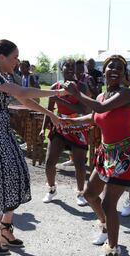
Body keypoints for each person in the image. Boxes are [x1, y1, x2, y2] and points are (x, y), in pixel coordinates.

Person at [0, 39, 65, 255]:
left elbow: (22, 100)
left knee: (18, 176)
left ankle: (4, 228)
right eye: (14, 57)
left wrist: (50, 114)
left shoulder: (3, 77)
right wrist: (57, 94)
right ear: (1, 57)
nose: (17, 61)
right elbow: (22, 93)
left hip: (2, 132)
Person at [62, 55, 130, 256]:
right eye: (110, 67)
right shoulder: (102, 95)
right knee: (89, 194)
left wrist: (76, 94)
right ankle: (106, 227)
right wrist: (69, 122)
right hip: (106, 155)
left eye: (119, 68)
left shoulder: (126, 93)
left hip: (124, 155)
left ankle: (113, 254)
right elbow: (94, 117)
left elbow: (99, 109)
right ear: (104, 71)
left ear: (125, 74)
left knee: (108, 203)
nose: (114, 70)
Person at [40, 59, 90, 206]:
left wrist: (60, 101)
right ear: (61, 69)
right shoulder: (55, 87)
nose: (69, 69)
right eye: (66, 66)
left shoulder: (81, 86)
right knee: (50, 162)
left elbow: (83, 109)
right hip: (59, 126)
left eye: (72, 67)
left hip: (77, 126)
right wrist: (43, 128)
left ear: (75, 69)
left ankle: (81, 193)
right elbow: (49, 110)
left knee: (79, 164)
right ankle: (51, 189)